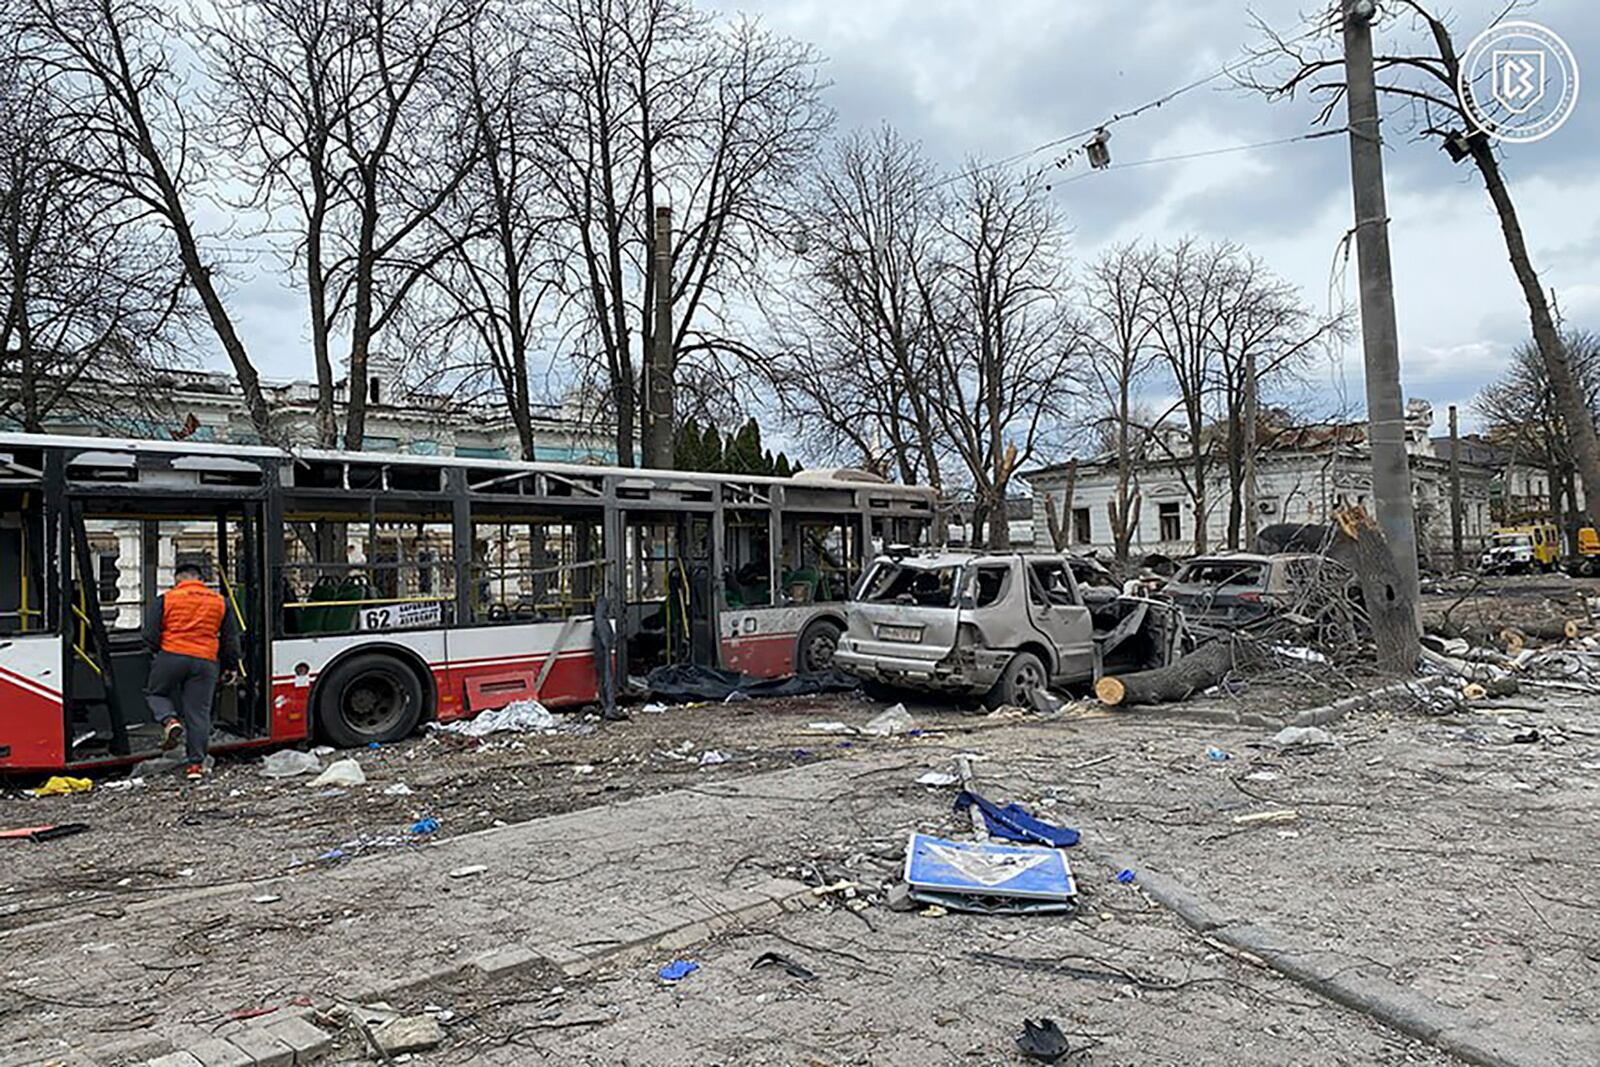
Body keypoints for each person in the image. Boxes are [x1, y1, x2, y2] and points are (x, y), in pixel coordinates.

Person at [141, 563, 240, 781]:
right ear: (201, 579)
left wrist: (163, 650)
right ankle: (195, 766)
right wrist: (231, 666)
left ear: (178, 580)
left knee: (156, 693)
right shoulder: (220, 602)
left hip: (171, 655)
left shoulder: (166, 599)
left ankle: (169, 721)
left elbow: (148, 634)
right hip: (206, 661)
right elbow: (230, 639)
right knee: (199, 713)